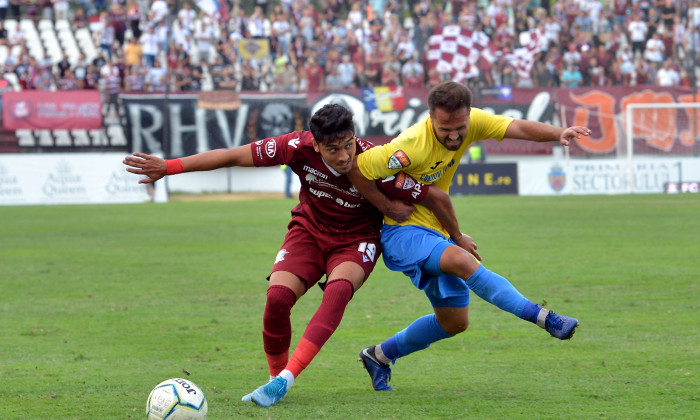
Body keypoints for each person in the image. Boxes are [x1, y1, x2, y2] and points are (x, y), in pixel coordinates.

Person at [123, 104, 470, 407]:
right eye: (333, 149)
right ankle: (275, 381)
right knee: (277, 298)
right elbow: (234, 155)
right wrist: (170, 166)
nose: (345, 156)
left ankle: (286, 378)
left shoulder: (373, 159)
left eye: (348, 144)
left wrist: (449, 234)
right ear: (316, 143)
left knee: (337, 292)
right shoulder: (295, 146)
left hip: (356, 240)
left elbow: (432, 196)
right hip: (309, 232)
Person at [347, 81, 591, 391]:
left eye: (459, 127)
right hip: (402, 234)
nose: (453, 135)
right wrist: (385, 206)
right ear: (431, 117)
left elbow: (516, 127)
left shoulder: (473, 121)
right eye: (444, 128)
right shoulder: (409, 145)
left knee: (454, 322)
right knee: (463, 260)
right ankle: (545, 318)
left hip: (436, 233)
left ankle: (379, 355)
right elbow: (357, 168)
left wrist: (557, 133)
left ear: (468, 115)